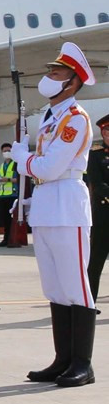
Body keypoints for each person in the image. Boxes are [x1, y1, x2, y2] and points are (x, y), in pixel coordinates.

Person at [12, 43, 97, 387]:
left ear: (72, 83)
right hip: (47, 205)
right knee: (55, 288)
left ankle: (82, 363)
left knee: (76, 287)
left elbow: (50, 166)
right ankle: (62, 359)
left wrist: (23, 158)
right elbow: (43, 169)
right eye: (49, 72)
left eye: (56, 73)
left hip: (67, 205)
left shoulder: (75, 119)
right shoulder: (51, 119)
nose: (48, 78)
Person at [87, 115, 109, 300]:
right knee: (95, 262)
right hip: (103, 215)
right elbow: (96, 182)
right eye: (106, 131)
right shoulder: (96, 155)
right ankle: (89, 302)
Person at [0, 143, 19, 247]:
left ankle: (13, 240)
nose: (6, 153)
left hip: (13, 195)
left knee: (12, 220)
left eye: (8, 150)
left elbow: (19, 179)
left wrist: (8, 179)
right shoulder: (2, 165)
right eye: (4, 151)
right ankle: (6, 239)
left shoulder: (15, 164)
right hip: (3, 195)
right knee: (5, 219)